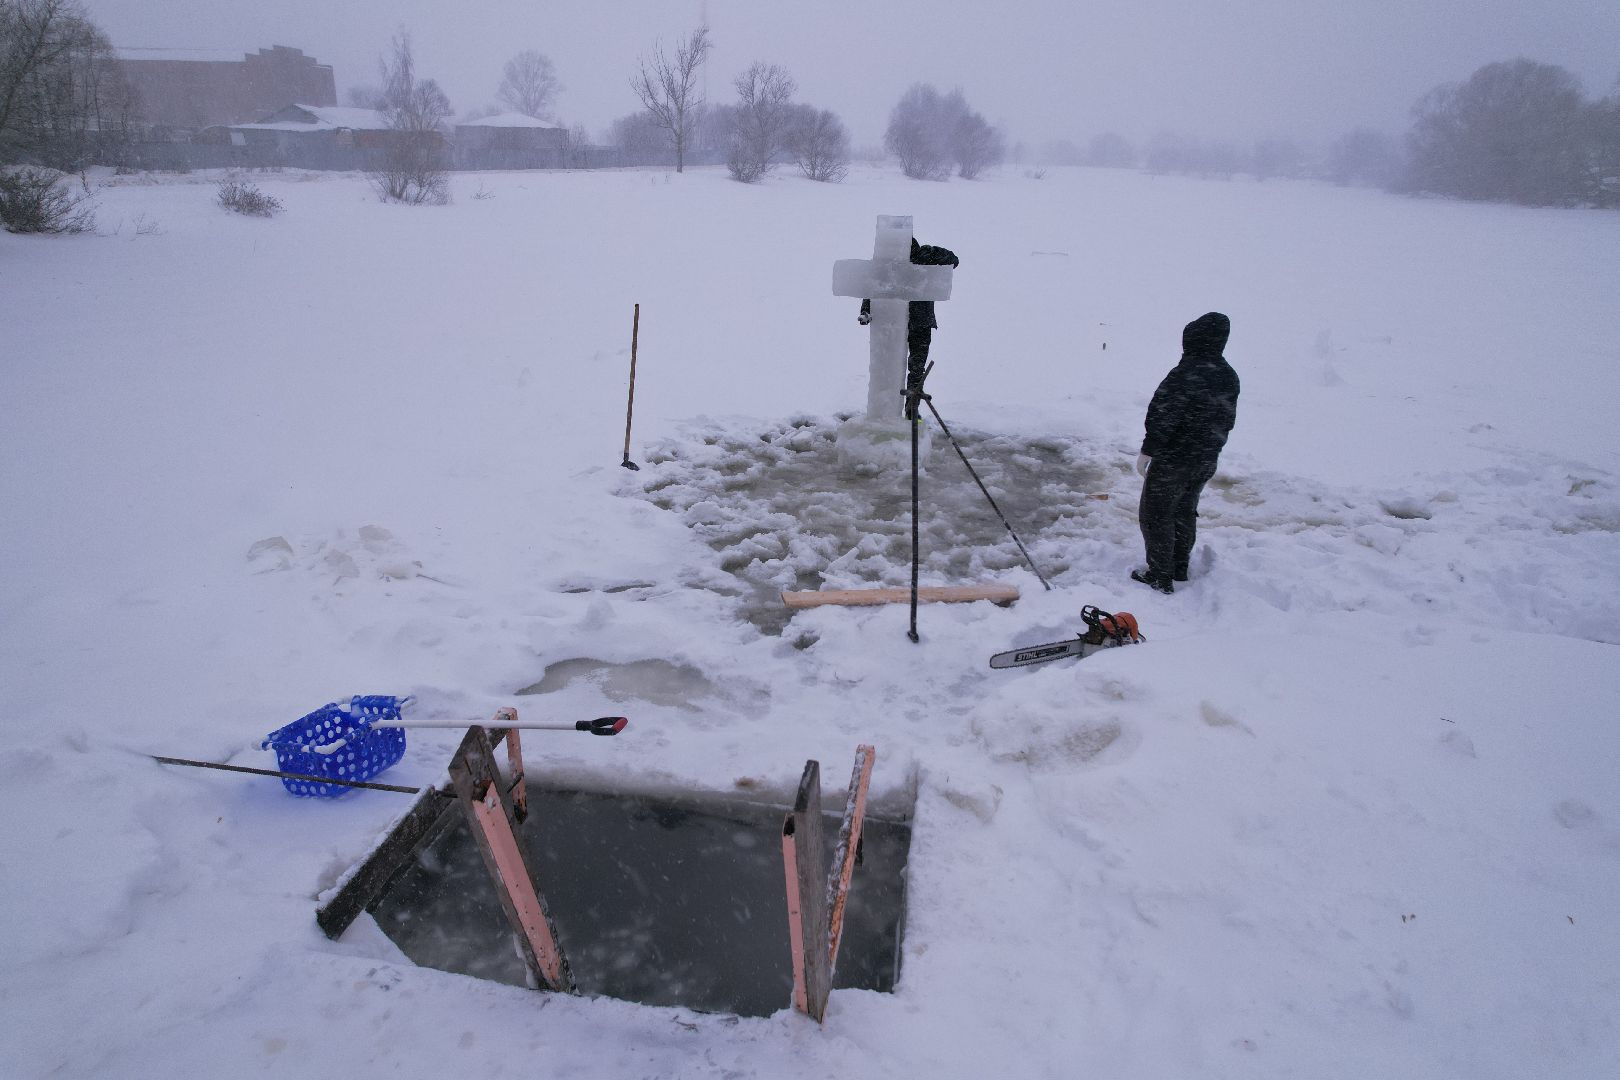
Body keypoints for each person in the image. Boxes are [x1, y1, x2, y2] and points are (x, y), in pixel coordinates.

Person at [1132, 311, 1240, 594]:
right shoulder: (1228, 375)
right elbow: (1225, 419)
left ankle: (1160, 575)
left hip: (1175, 458)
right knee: (1184, 511)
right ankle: (1179, 567)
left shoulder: (1186, 373)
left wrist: (1149, 449)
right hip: (1205, 458)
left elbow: (1163, 415)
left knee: (1157, 515)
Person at [859, 237, 959, 417]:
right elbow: (874, 289)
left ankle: (912, 408)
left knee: (916, 368)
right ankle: (887, 408)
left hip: (920, 322)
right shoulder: (888, 265)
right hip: (893, 323)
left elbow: (954, 260)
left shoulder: (924, 257)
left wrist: (926, 254)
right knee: (890, 365)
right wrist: (866, 310)